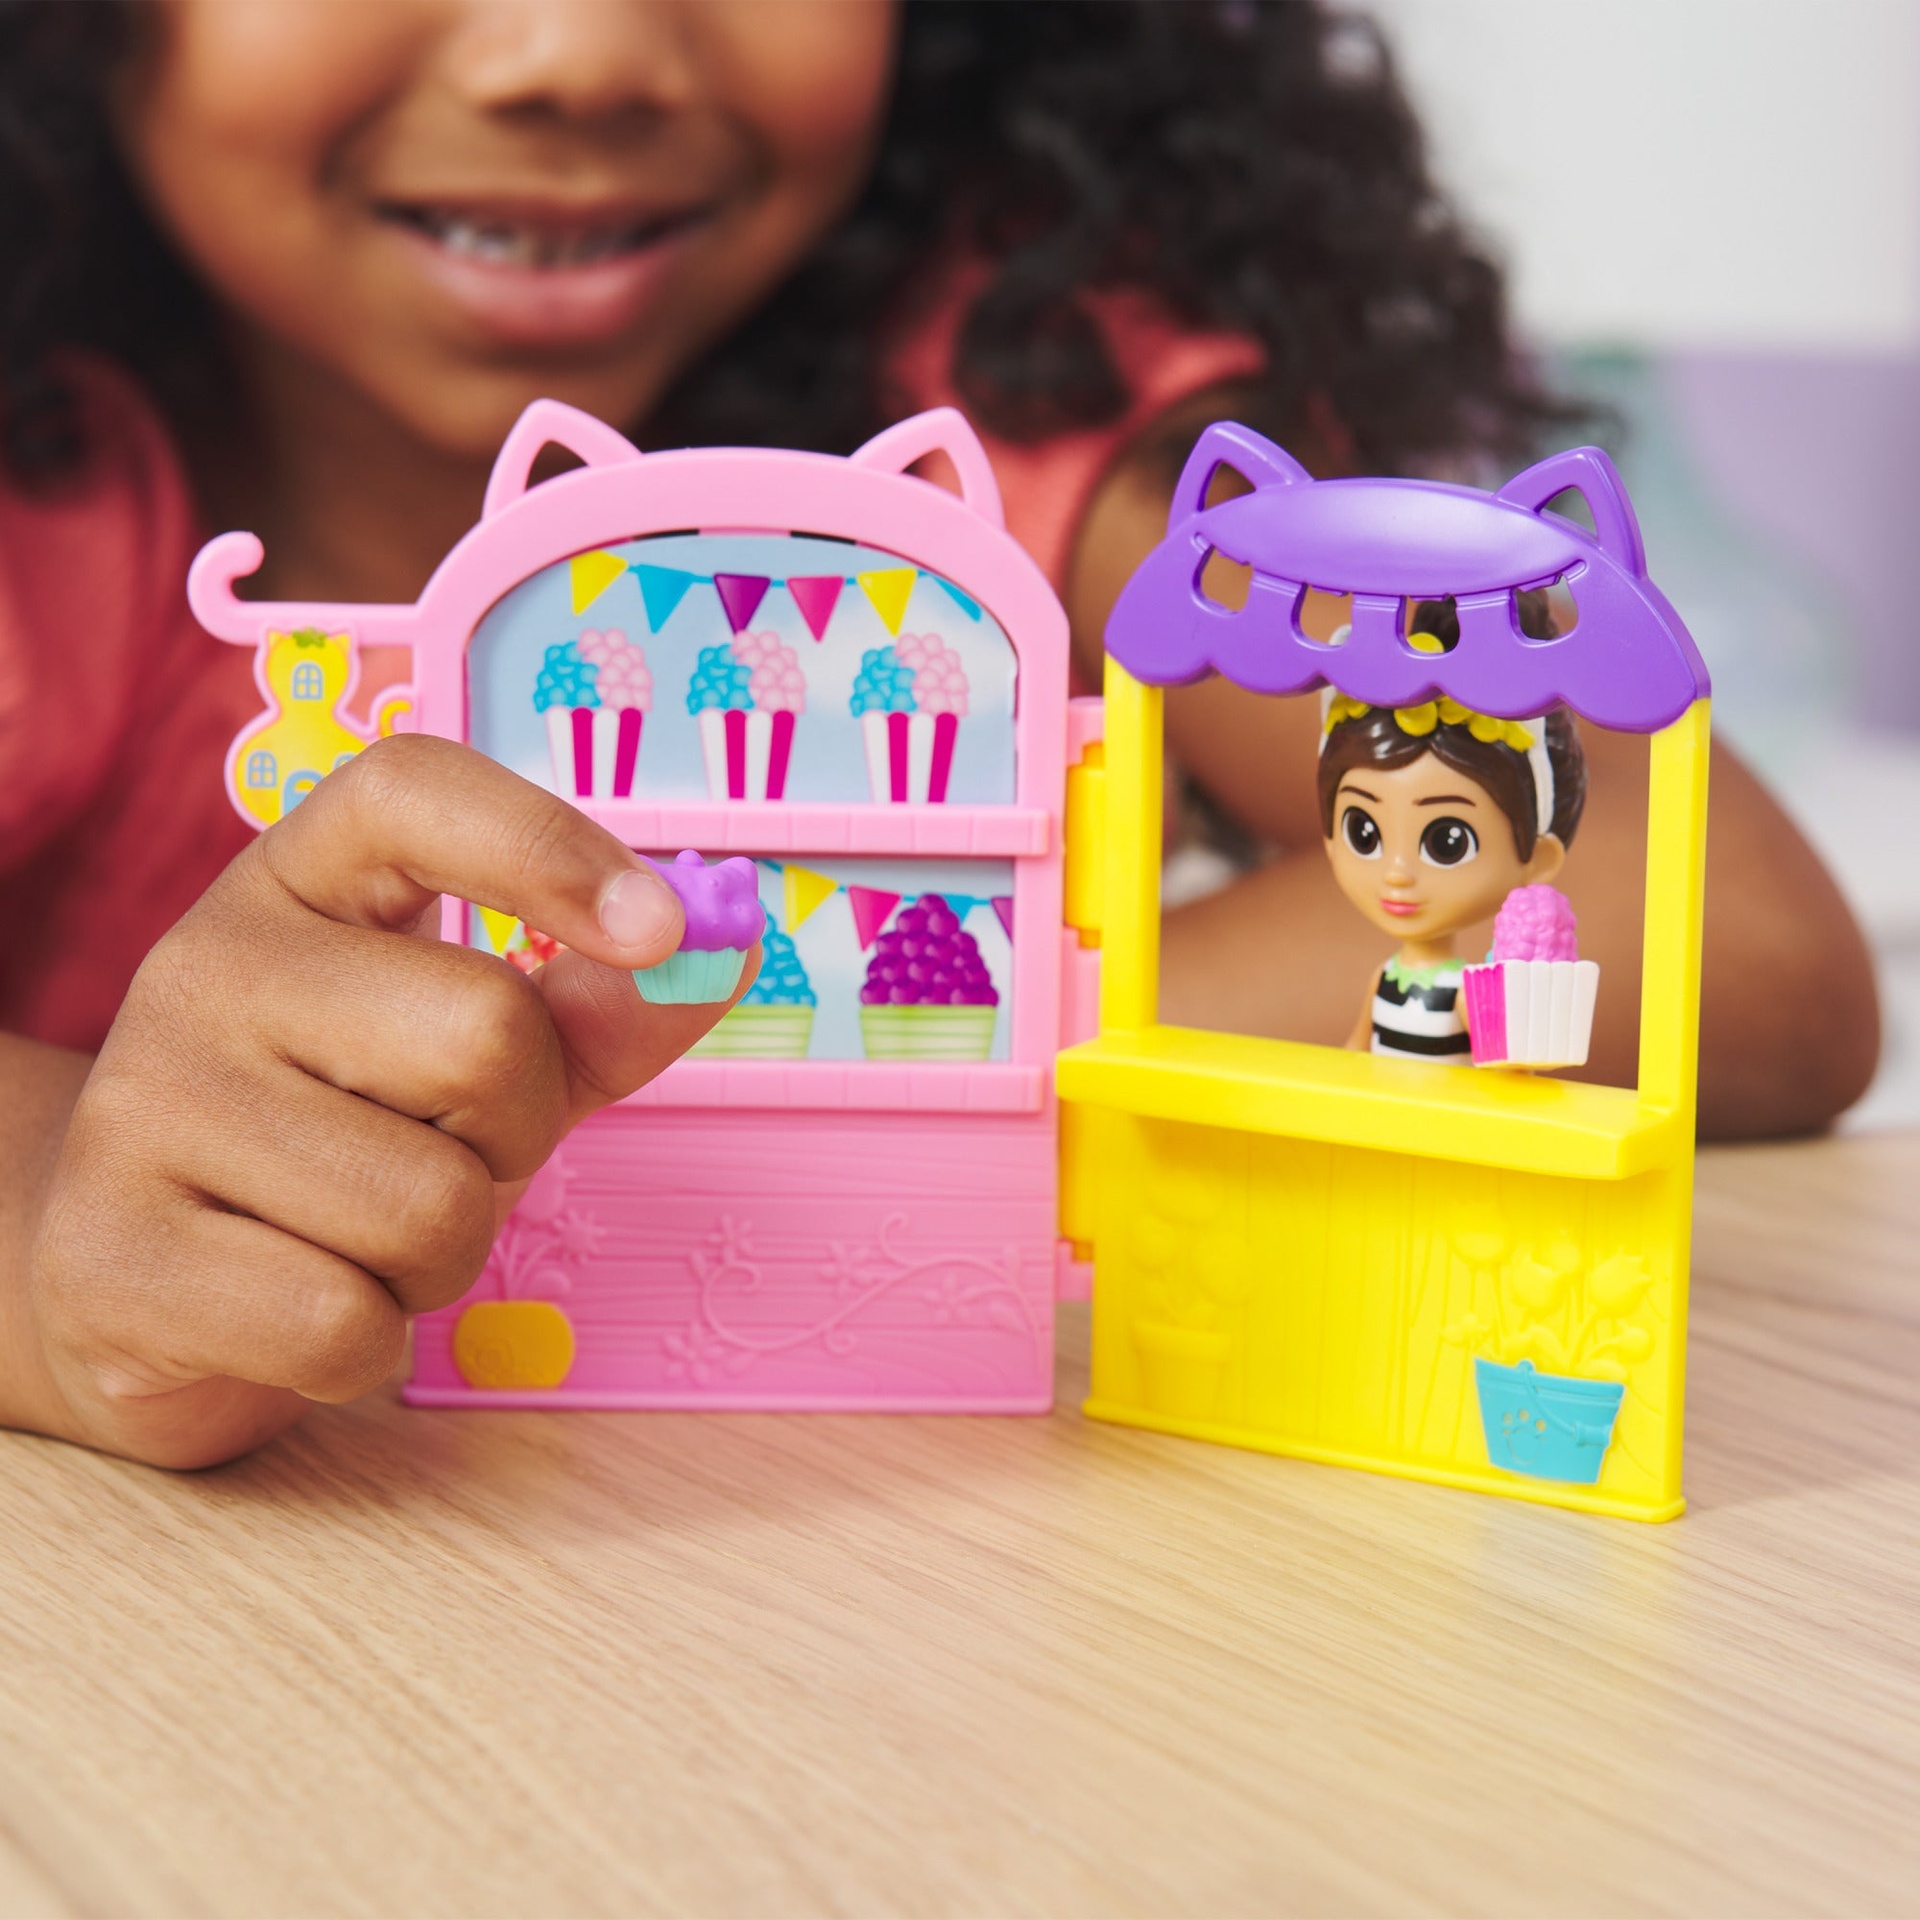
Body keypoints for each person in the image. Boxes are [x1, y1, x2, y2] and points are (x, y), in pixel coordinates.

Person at [0, 0, 1877, 1467]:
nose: (575, 56)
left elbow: (1725, 917)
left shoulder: (1013, 396)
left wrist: (958, 1038)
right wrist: (48, 1245)